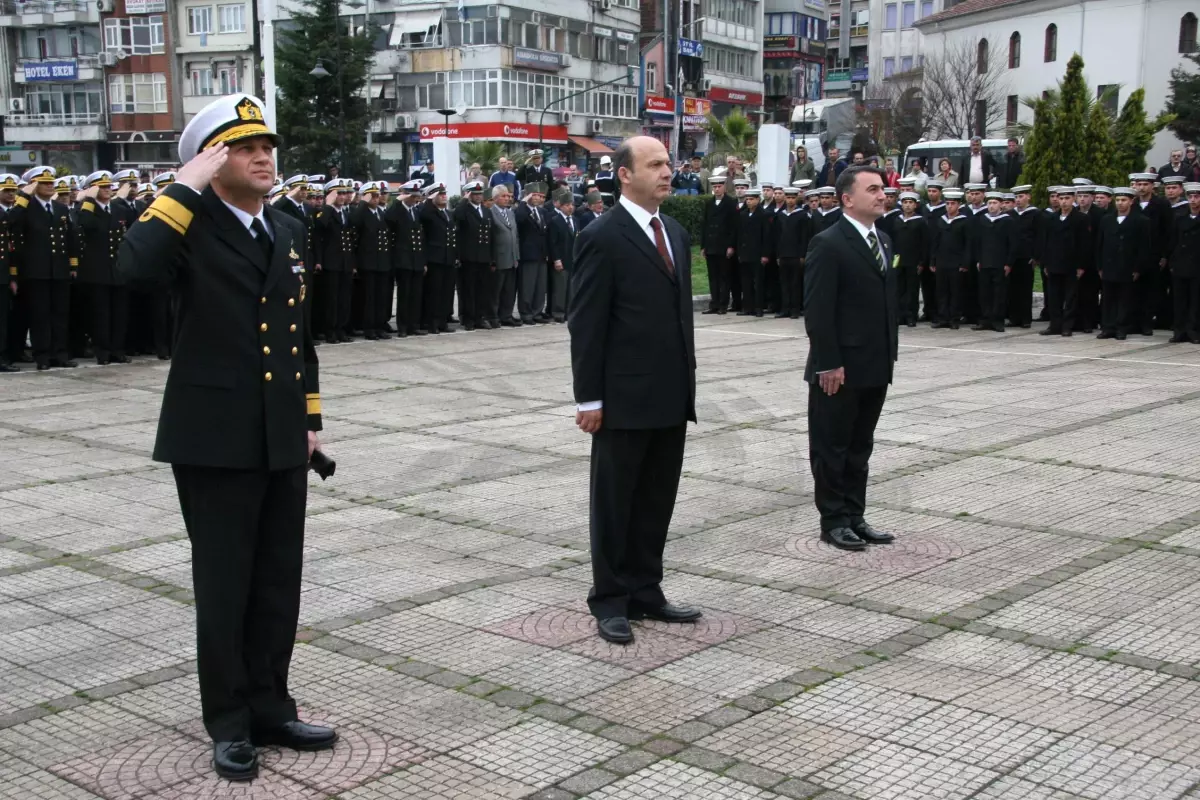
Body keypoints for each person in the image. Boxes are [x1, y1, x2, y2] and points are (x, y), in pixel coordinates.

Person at [116, 93, 335, 782]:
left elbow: (301, 338)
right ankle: (230, 721)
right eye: (243, 148)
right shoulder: (189, 223)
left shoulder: (288, 227)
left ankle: (272, 706)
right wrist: (181, 187)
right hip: (212, 436)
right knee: (225, 585)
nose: (263, 155)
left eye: (267, 145)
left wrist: (309, 423)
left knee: (277, 582)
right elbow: (133, 269)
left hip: (278, 433)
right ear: (213, 161)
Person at [568, 136, 700, 645]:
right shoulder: (603, 235)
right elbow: (586, 323)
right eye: (655, 165)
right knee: (615, 502)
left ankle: (647, 590)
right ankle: (611, 599)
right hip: (622, 400)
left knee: (655, 499)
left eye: (668, 164)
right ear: (625, 174)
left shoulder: (676, 233)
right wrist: (590, 399)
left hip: (669, 395)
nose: (668, 172)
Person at [803, 166, 898, 552]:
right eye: (872, 189)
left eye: (882, 189)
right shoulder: (828, 243)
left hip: (875, 363)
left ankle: (856, 515)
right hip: (838, 369)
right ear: (847, 199)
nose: (881, 195)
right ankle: (834, 520)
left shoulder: (885, 240)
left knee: (860, 446)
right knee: (832, 446)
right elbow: (818, 309)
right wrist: (828, 361)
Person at [8, 165, 78, 370]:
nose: (49, 186)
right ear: (34, 186)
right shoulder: (26, 208)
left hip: (59, 269)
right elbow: (10, 222)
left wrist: (73, 264)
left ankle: (60, 353)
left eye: (51, 182)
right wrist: (23, 195)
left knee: (60, 313)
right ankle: (43, 355)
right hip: (36, 270)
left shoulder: (60, 208)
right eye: (44, 183)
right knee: (40, 315)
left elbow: (70, 237)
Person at [76, 171, 131, 365]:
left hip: (117, 270)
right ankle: (103, 351)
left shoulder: (117, 209)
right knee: (101, 315)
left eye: (109, 187)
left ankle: (117, 349)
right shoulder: (87, 209)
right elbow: (86, 224)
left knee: (119, 314)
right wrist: (89, 199)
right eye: (102, 187)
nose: (107, 190)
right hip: (97, 271)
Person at [1096, 187, 1151, 341]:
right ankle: (1108, 327)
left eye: (1124, 200)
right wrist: (1099, 266)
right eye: (1118, 200)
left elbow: (1143, 247)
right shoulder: (1107, 219)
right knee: (1108, 299)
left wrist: (1138, 268)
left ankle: (1122, 328)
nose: (1120, 203)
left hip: (1127, 267)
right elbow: (1099, 244)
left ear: (1131, 201)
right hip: (1108, 266)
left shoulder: (1141, 221)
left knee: (1125, 300)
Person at [1039, 186, 1089, 336]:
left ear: (1073, 199)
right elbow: (1046, 242)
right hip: (1054, 263)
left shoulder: (1080, 218)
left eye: (1067, 198)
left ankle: (1067, 326)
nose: (1064, 202)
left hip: (1071, 265)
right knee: (1054, 297)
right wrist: (1046, 263)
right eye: (1061, 198)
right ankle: (1055, 325)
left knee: (1070, 298)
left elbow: (1084, 244)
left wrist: (1081, 265)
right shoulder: (1052, 218)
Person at [385, 180, 427, 338]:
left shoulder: (415, 211)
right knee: (405, 294)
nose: (415, 199)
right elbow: (389, 219)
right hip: (403, 259)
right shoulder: (398, 211)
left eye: (417, 196)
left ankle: (413, 325)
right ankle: (403, 326)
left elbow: (420, 238)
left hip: (416, 259)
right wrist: (398, 201)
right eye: (413, 196)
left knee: (416, 295)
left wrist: (423, 261)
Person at [972, 191, 1018, 332]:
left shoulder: (1008, 221)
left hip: (1000, 263)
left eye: (995, 203)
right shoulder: (983, 220)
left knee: (999, 293)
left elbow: (1013, 244)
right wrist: (979, 259)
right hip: (985, 262)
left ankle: (997, 321)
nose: (992, 206)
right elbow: (978, 242)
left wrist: (1009, 263)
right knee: (984, 292)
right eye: (990, 203)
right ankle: (985, 320)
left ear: (1001, 205)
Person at [351, 182, 391, 340]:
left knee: (380, 297)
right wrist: (362, 202)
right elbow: (354, 223)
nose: (376, 198)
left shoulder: (380, 212)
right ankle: (369, 328)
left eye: (377, 195)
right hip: (368, 262)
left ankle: (379, 326)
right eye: (372, 196)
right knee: (369, 298)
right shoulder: (361, 212)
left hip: (382, 261)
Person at [453, 181, 494, 331]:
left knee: (482, 289)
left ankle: (480, 317)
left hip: (483, 256)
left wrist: (492, 258)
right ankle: (468, 318)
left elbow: (491, 235)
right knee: (468, 290)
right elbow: (457, 216)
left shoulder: (486, 210)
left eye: (480, 193)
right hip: (469, 256)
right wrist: (464, 200)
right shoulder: (465, 209)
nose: (478, 196)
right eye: (474, 194)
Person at [930, 189, 970, 329]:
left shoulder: (964, 221)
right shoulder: (941, 220)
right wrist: (933, 260)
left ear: (958, 205)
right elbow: (935, 242)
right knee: (941, 291)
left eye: (953, 204)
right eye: (947, 203)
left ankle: (954, 318)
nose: (949, 206)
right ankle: (942, 318)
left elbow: (967, 244)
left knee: (955, 291)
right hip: (941, 261)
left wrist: (965, 262)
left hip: (956, 262)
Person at [700, 175, 738, 315]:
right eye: (714, 187)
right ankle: (714, 303)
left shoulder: (730, 203)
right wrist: (703, 246)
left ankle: (723, 304)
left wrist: (731, 246)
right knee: (713, 277)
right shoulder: (709, 203)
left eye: (719, 186)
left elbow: (733, 227)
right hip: (711, 246)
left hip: (723, 246)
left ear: (724, 187)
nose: (717, 189)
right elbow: (705, 225)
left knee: (724, 276)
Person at [1168, 183, 1200, 343]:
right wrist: (1172, 262)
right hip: (1181, 265)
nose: (1193, 200)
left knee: (1196, 300)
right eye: (1190, 197)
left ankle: (1193, 330)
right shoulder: (1180, 217)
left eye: (1196, 197)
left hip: (1197, 266)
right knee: (1179, 300)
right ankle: (1179, 331)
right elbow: (1173, 242)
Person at [891, 191, 929, 327]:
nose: (907, 206)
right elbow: (893, 241)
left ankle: (911, 315)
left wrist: (921, 262)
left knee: (912, 289)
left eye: (910, 203)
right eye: (905, 203)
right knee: (899, 288)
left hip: (914, 261)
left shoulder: (920, 221)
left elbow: (924, 243)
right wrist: (893, 260)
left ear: (915, 205)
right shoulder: (897, 220)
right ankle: (900, 315)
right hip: (899, 260)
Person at [773, 186, 811, 318]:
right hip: (783, 254)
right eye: (788, 197)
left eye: (792, 198)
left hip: (796, 255)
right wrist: (778, 254)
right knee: (784, 282)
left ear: (796, 198)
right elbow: (777, 237)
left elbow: (804, 237)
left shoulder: (802, 215)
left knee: (795, 283)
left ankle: (795, 309)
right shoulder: (780, 215)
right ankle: (785, 308)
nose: (790, 200)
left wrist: (802, 255)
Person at [515, 183, 549, 325]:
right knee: (527, 286)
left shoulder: (541, 212)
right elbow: (520, 219)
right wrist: (523, 202)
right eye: (534, 194)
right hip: (528, 254)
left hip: (541, 254)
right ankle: (526, 312)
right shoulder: (522, 210)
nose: (537, 197)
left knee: (540, 286)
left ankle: (537, 311)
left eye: (538, 195)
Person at [1007, 185, 1041, 328]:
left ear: (1028, 197)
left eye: (1021, 197)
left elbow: (1039, 236)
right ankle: (1014, 317)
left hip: (1027, 257)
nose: (1018, 200)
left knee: (1025, 288)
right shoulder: (1010, 214)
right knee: (1012, 288)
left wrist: (1036, 256)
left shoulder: (1035, 214)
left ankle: (1026, 319)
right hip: (1012, 257)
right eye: (1016, 197)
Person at [734, 188, 770, 317]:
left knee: (758, 283)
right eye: (747, 199)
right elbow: (740, 235)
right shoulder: (743, 214)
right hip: (745, 253)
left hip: (757, 254)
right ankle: (747, 307)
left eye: (751, 199)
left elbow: (766, 236)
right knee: (746, 282)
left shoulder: (763, 215)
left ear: (757, 200)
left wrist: (765, 254)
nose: (748, 202)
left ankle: (758, 308)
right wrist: (739, 252)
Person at [489, 183, 521, 327]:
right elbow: (491, 238)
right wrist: (492, 260)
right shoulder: (490, 213)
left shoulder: (510, 212)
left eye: (509, 196)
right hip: (499, 257)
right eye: (504, 196)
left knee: (509, 290)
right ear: (495, 198)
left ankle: (506, 315)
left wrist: (517, 256)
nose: (507, 198)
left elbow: (515, 235)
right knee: (496, 290)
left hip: (512, 257)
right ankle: (493, 316)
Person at [546, 187, 577, 323]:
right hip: (561, 259)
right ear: (561, 206)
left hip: (572, 258)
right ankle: (558, 311)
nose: (570, 208)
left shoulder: (575, 220)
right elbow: (553, 243)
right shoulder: (555, 220)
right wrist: (556, 259)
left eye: (572, 205)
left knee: (571, 287)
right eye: (567, 205)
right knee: (560, 287)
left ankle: (569, 310)